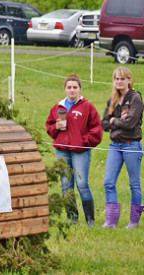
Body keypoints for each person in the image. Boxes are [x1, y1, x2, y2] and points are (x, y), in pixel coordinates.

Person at [46, 74, 103, 226]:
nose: (72, 90)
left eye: (75, 87)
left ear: (80, 89)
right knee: (66, 185)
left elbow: (97, 129)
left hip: (80, 151)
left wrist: (84, 142)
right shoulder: (58, 107)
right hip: (62, 151)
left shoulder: (87, 106)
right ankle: (73, 217)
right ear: (65, 89)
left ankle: (90, 219)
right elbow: (49, 128)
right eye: (69, 87)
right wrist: (55, 128)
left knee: (82, 183)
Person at [101, 66, 143, 229]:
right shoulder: (112, 100)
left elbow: (130, 123)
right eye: (117, 79)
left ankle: (134, 221)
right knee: (108, 182)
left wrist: (114, 122)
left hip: (131, 145)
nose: (119, 81)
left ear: (129, 80)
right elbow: (104, 123)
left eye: (122, 78)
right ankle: (111, 221)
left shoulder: (136, 98)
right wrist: (116, 122)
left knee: (134, 184)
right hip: (114, 145)